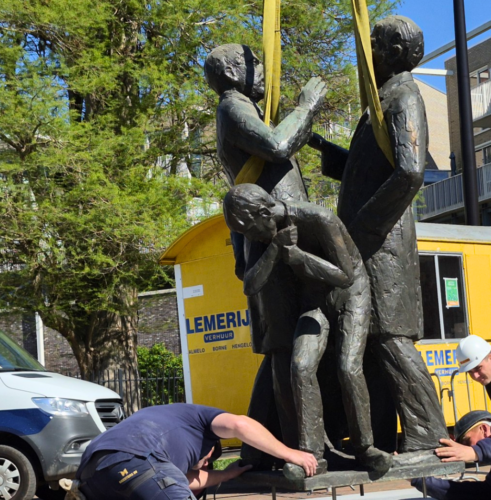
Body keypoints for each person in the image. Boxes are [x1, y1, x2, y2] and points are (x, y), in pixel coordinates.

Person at [308, 14, 448, 453]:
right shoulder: (381, 98)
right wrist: (321, 147)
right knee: (370, 340)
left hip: (382, 242)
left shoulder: (404, 96)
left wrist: (362, 228)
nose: (365, 50)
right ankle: (378, 436)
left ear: (394, 52)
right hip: (370, 241)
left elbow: (409, 172)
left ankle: (429, 434)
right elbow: (370, 168)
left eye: (373, 42)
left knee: (390, 338)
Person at [204, 43, 328, 464]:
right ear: (233, 72)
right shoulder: (233, 107)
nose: (263, 70)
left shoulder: (244, 109)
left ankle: (259, 452)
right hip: (267, 234)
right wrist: (306, 107)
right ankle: (294, 447)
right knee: (283, 348)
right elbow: (277, 146)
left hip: (274, 231)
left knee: (283, 345)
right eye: (254, 63)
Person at [223, 183, 392, 478]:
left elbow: (344, 275)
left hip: (351, 295)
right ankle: (311, 456)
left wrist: (298, 256)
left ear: (264, 213)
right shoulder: (265, 235)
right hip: (315, 301)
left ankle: (366, 448)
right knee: (300, 367)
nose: (251, 238)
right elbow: (250, 284)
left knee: (348, 367)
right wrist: (275, 248)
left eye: (250, 230)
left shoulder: (318, 218)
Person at [75, 404, 318, 500]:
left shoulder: (165, 419)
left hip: (90, 475)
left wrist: (226, 475)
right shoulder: (203, 420)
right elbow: (240, 424)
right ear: (210, 450)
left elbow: (185, 480)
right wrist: (289, 453)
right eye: (205, 463)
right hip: (137, 460)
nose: (202, 467)